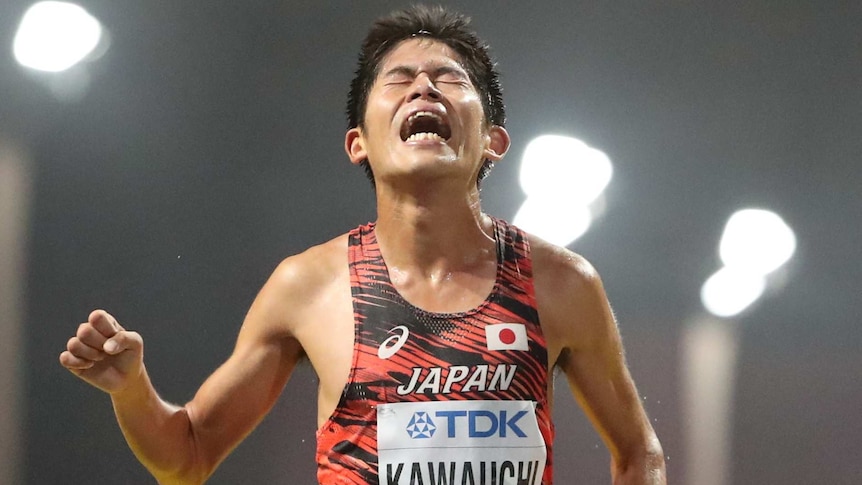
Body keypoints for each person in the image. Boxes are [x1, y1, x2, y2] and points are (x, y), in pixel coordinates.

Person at [60, 5, 665, 484]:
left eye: (449, 80)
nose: (424, 88)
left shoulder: (560, 283)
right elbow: (187, 456)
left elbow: (640, 456)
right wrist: (131, 388)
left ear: (493, 141)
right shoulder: (308, 286)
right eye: (399, 79)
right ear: (359, 143)